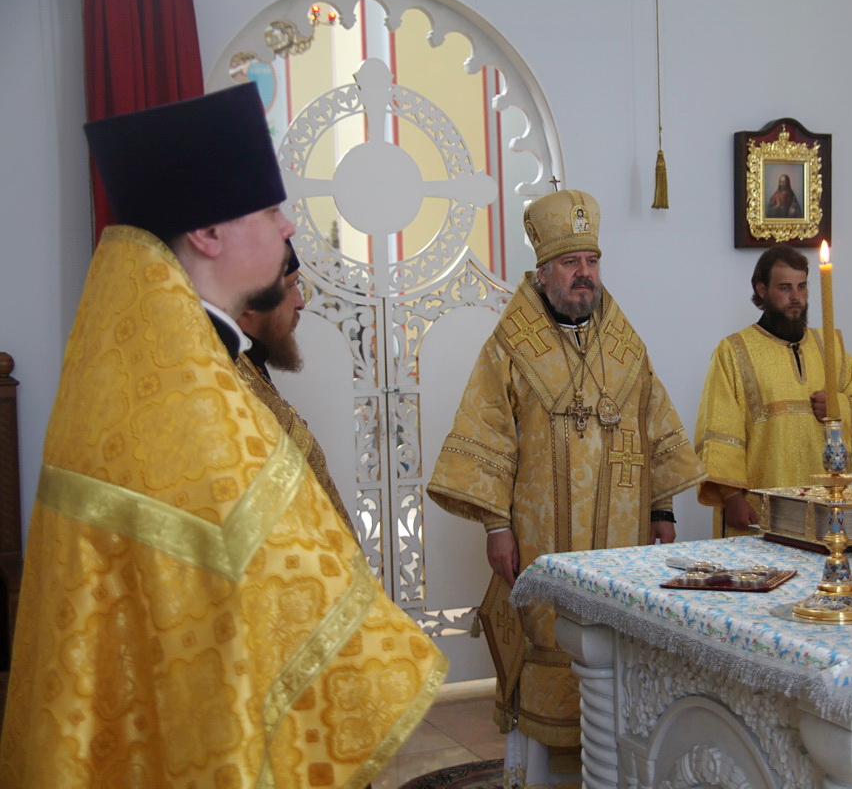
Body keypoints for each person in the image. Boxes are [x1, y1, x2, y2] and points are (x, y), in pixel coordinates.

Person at [0, 83, 445, 787]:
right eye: (271, 209)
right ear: (207, 234)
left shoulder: (158, 367)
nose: (289, 227)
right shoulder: (183, 405)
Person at [427, 189, 704, 784]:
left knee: (616, 643)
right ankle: (539, 775)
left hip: (622, 537)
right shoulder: (509, 346)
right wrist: (496, 527)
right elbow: (488, 435)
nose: (585, 275)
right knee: (548, 640)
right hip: (540, 536)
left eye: (593, 262)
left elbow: (655, 425)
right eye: (572, 263)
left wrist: (663, 510)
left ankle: (615, 769)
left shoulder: (625, 346)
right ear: (544, 273)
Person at [694, 245, 852, 537]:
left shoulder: (829, 346)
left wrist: (839, 406)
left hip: (822, 501)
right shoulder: (734, 351)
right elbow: (720, 427)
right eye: (785, 287)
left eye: (802, 286)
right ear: (761, 289)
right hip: (759, 504)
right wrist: (732, 498)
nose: (796, 297)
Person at [235, 239, 357, 537]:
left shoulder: (250, 364)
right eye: (291, 286)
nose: (300, 301)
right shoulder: (225, 377)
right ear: (250, 303)